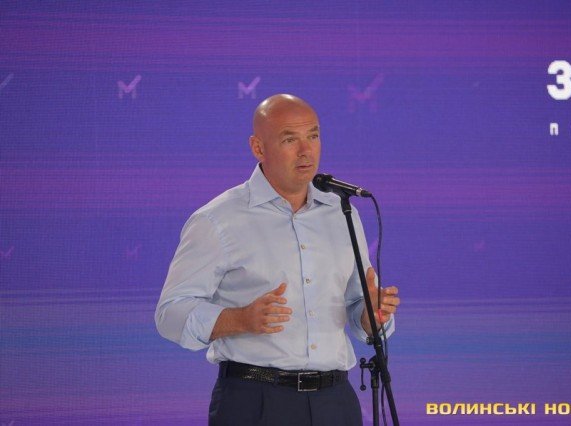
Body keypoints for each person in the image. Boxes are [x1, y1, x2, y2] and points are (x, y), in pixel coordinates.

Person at [155, 94, 400, 425]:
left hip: (336, 402)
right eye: (289, 139)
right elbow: (170, 314)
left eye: (313, 136)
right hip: (256, 401)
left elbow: (359, 307)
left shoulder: (342, 212)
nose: (306, 150)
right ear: (258, 148)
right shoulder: (218, 219)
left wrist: (372, 316)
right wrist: (238, 319)